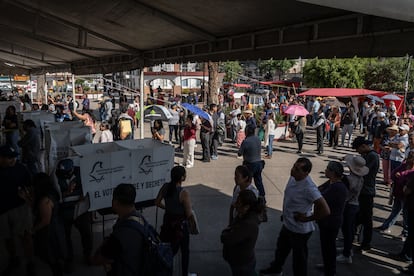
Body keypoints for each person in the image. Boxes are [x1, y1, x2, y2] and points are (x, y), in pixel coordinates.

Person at [260, 158, 330, 276]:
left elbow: (326, 210)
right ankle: (276, 269)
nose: (292, 170)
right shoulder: (293, 178)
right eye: (294, 166)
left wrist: (307, 218)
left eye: (297, 169)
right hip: (288, 225)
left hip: (299, 231)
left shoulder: (309, 188)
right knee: (281, 250)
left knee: (299, 259)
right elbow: (290, 198)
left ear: (305, 173)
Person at [91, 184, 146, 276]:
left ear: (115, 202)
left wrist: (104, 244)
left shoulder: (120, 235)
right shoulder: (140, 219)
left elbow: (97, 260)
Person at [0, 145, 35, 275]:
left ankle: (30, 262)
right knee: (7, 237)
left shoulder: (21, 168)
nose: (13, 160)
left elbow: (30, 186)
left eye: (14, 157)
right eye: (9, 158)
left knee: (25, 236)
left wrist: (29, 197)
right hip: (2, 211)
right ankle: (13, 259)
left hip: (20, 208)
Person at [155, 166, 195, 276]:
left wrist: (167, 208)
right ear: (182, 178)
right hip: (180, 225)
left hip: (168, 221)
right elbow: (188, 213)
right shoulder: (183, 193)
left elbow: (157, 202)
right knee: (184, 251)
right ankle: (185, 273)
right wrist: (192, 224)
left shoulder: (165, 187)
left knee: (168, 249)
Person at [55, 158, 93, 272]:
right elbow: (55, 196)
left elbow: (90, 187)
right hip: (64, 211)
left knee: (86, 233)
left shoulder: (82, 173)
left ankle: (87, 255)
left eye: (66, 174)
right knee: (65, 236)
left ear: (71, 170)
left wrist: (84, 195)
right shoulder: (56, 176)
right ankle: (68, 259)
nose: (64, 176)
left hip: (80, 209)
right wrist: (67, 193)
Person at [221, 190, 263, 276]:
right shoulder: (245, 215)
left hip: (242, 264)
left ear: (246, 207)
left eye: (239, 202)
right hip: (244, 261)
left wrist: (225, 232)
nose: (236, 205)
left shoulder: (247, 224)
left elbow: (227, 238)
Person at [317, 161, 348, 276]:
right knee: (326, 247)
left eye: (327, 169)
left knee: (329, 248)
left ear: (333, 172)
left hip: (330, 222)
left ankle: (330, 271)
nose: (325, 170)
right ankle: (327, 267)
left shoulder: (337, 187)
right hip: (327, 221)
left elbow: (320, 196)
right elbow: (318, 189)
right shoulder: (331, 183)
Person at [31, 173, 65, 276]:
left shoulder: (44, 200)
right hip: (55, 228)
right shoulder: (52, 193)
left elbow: (45, 221)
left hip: (49, 232)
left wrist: (32, 230)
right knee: (54, 256)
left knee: (51, 257)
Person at [337, 155, 369, 264]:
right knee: (350, 229)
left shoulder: (348, 179)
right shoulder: (361, 178)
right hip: (355, 204)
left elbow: (344, 194)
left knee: (347, 229)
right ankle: (348, 248)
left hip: (348, 205)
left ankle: (346, 253)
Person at [352, 136, 380, 251]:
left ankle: (366, 243)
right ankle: (354, 236)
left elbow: (363, 170)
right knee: (358, 216)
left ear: (363, 146)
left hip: (367, 190)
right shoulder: (366, 155)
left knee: (366, 219)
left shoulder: (372, 156)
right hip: (362, 189)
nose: (357, 152)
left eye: (358, 149)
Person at [238, 124, 266, 207]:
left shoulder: (246, 141)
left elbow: (240, 153)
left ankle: (246, 199)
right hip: (259, 163)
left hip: (250, 164)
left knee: (247, 182)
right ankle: (262, 198)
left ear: (247, 132)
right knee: (259, 181)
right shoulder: (257, 139)